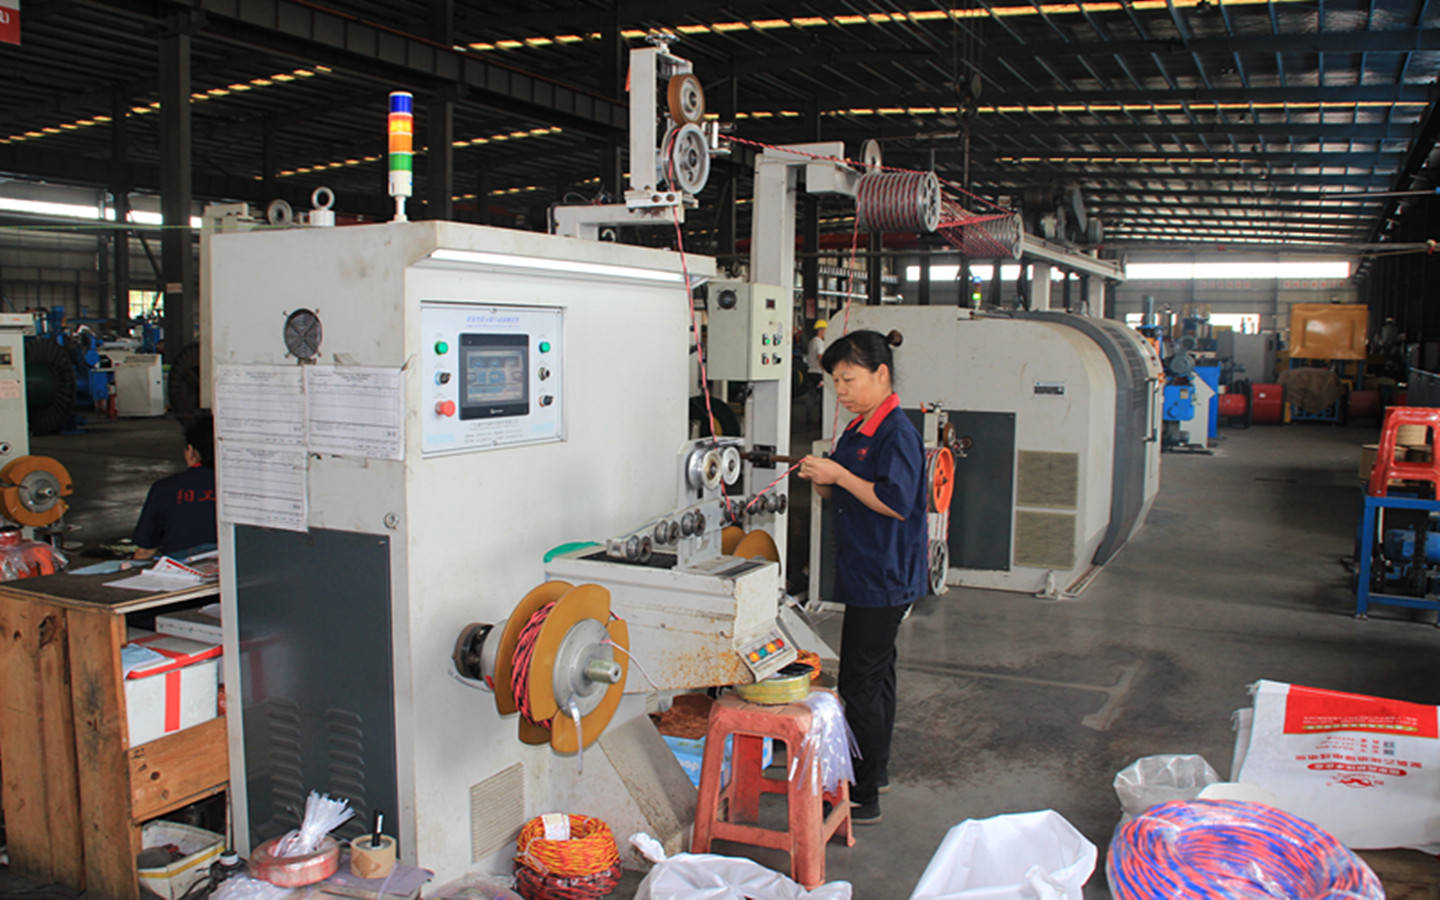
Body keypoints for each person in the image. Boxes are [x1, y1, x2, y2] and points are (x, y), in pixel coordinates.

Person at [797, 329, 926, 826]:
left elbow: (894, 502)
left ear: (881, 374)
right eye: (836, 382)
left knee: (860, 682)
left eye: (849, 379)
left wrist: (839, 476)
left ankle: (863, 795)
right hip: (866, 569)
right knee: (878, 675)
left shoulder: (896, 433)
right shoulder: (859, 428)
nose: (842, 391)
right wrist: (823, 478)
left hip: (885, 573)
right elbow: (845, 490)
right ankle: (878, 770)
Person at [133, 416, 217, 560]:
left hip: (181, 566)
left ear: (190, 451)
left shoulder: (164, 489)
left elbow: (146, 550)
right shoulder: (243, 487)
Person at [804, 318, 828, 423]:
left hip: (811, 372)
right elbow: (820, 357)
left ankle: (808, 418)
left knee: (811, 396)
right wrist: (825, 371)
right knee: (823, 398)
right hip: (818, 373)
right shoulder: (818, 342)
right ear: (821, 330)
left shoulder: (812, 341)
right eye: (825, 330)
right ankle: (822, 419)